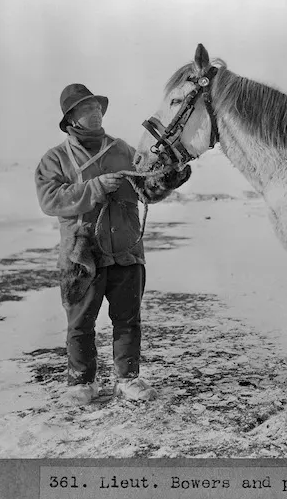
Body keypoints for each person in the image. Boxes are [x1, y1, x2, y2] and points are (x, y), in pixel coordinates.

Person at [35, 84, 191, 405]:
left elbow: (146, 189)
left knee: (128, 319)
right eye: (86, 109)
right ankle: (81, 383)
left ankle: (128, 379)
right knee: (80, 323)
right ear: (70, 119)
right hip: (82, 256)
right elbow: (49, 200)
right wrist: (95, 187)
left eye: (96, 108)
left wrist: (168, 179)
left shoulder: (122, 149)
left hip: (127, 251)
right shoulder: (55, 159)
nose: (95, 113)